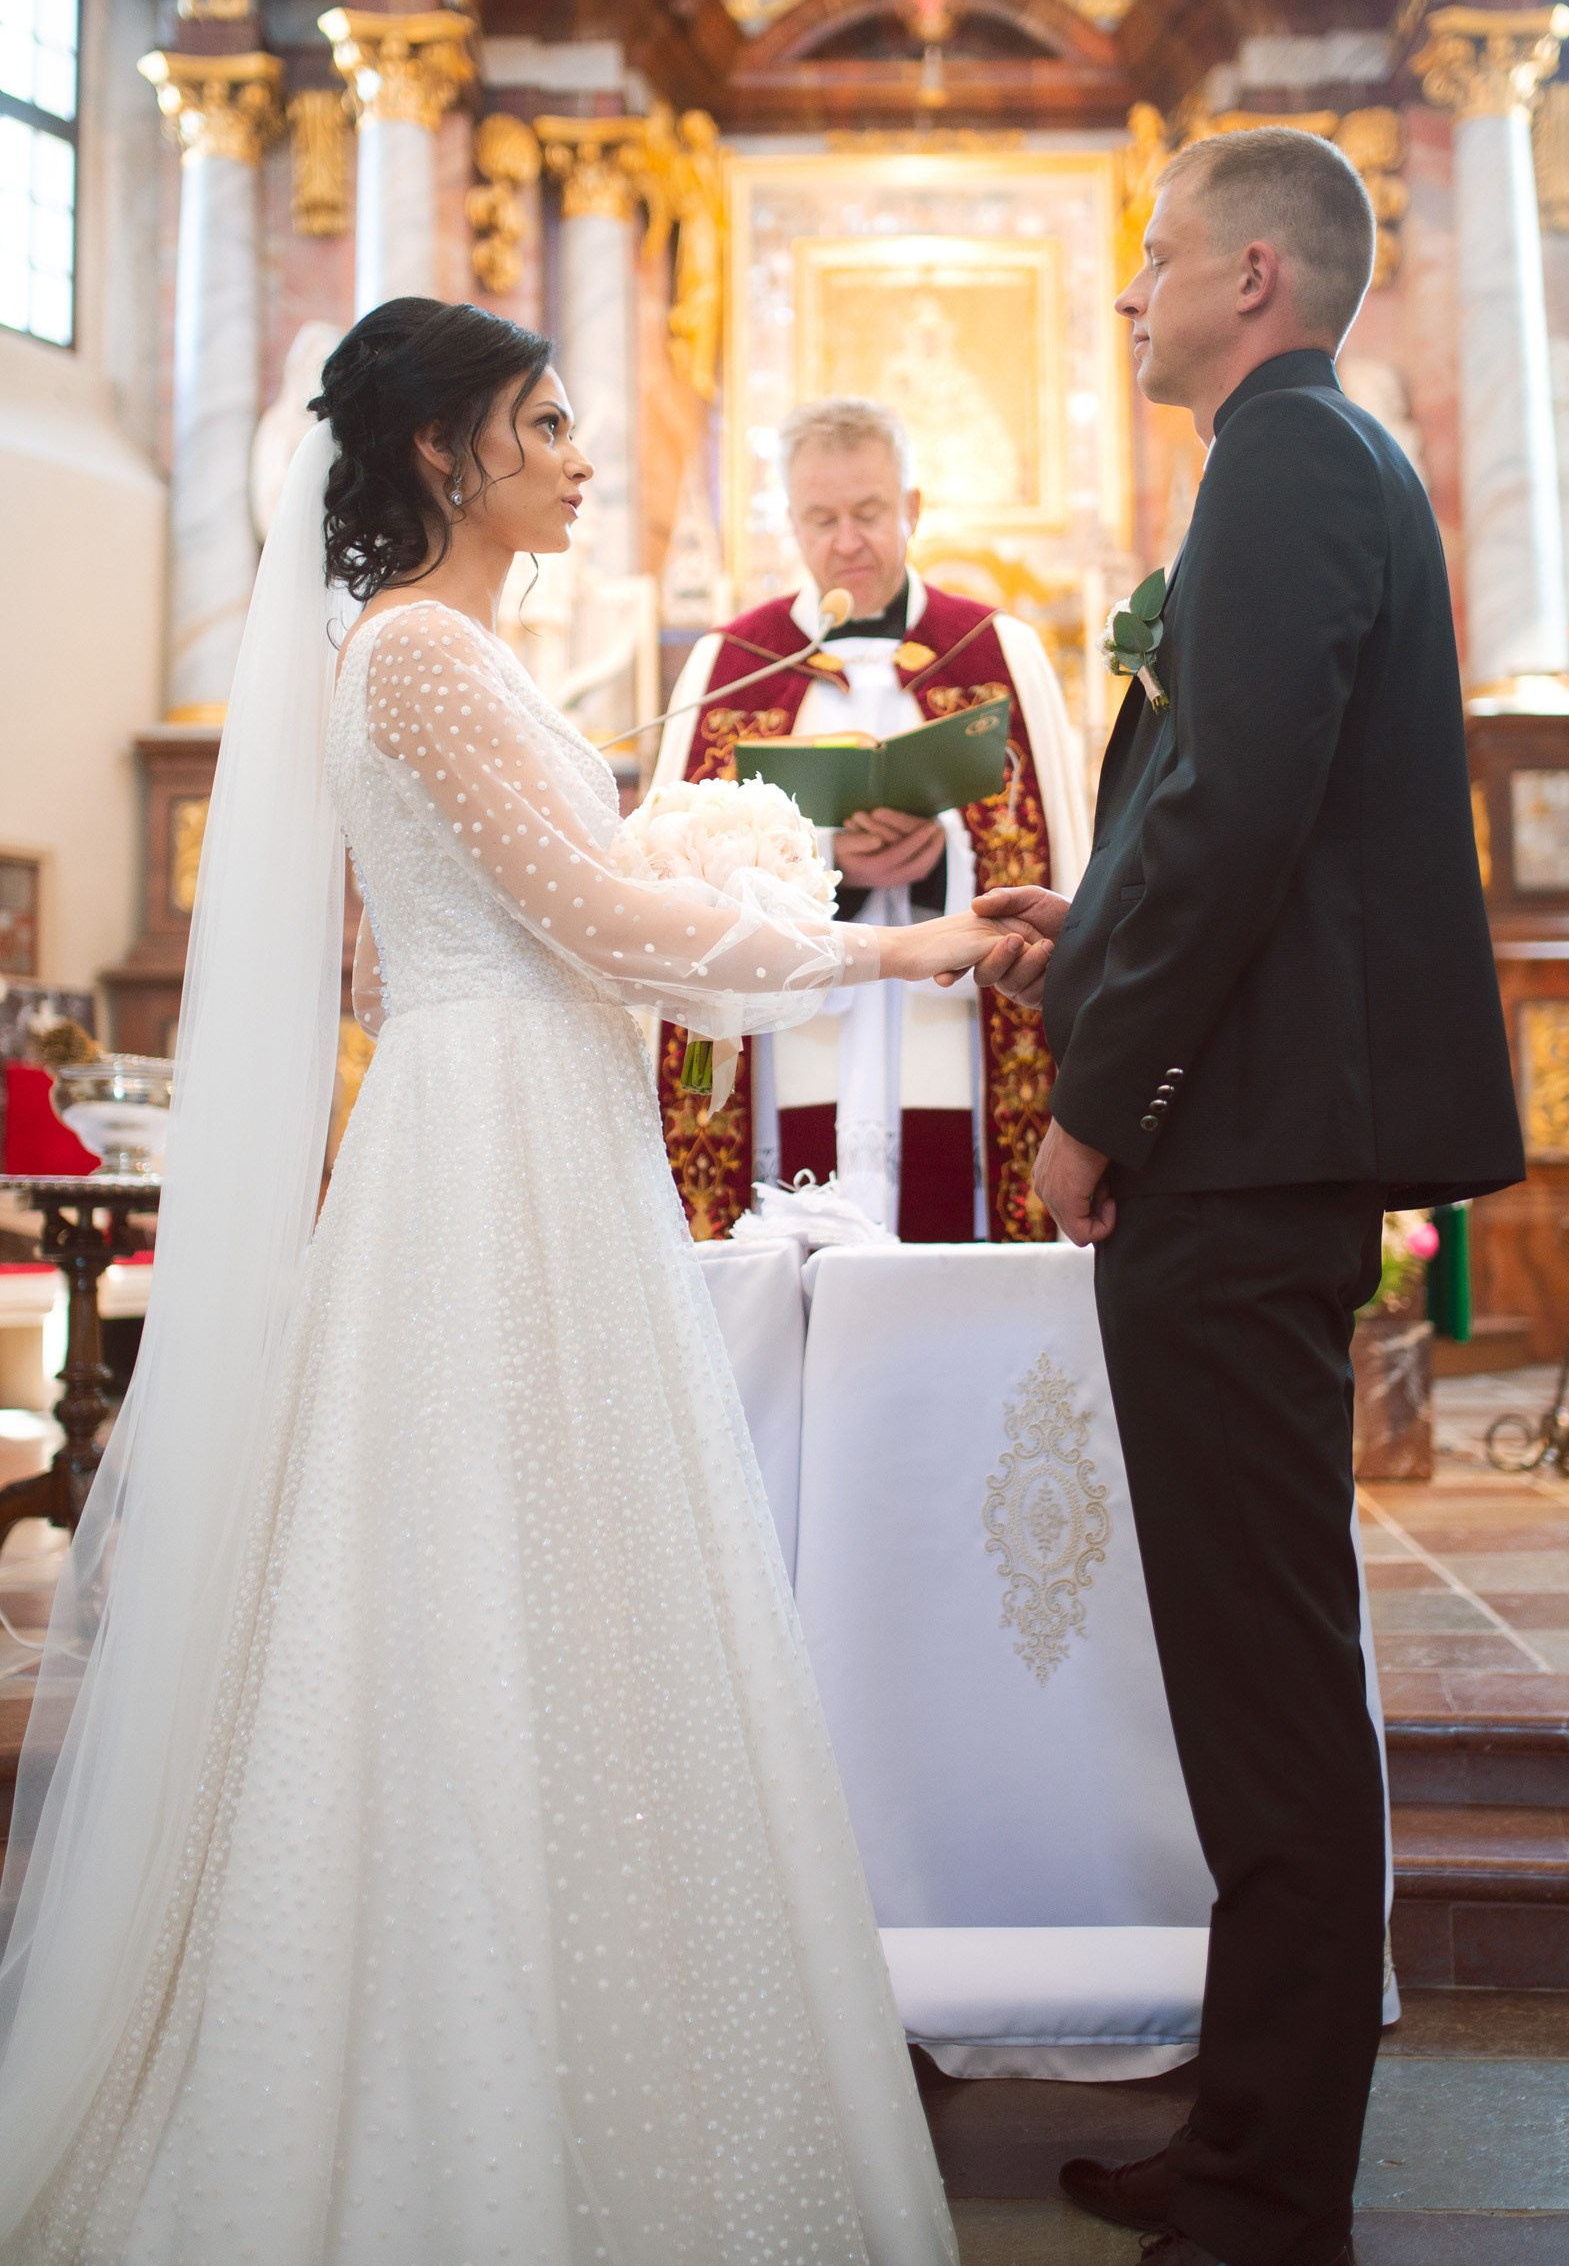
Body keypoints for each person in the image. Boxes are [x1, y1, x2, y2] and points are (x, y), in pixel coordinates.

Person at [0, 298, 1023, 2262]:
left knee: (574, 1589)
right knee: (466, 1589)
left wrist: (714, 882)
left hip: (536, 1133)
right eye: (544, 421)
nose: (578, 452)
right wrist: (874, 952)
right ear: (447, 458)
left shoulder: (445, 656)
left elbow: (504, 920)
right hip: (487, 1166)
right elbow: (591, 914)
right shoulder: (415, 655)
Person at [971, 129, 1525, 2266]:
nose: (1128, 291)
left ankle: (1270, 2190)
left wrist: (1097, 1095)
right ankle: (1249, 2144)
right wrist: (1085, 921)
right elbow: (1214, 819)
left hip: (1239, 1153)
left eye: (1154, 256)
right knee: (1251, 1667)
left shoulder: (1285, 467)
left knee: (1266, 1678)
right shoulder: (1314, 458)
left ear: (1259, 278)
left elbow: (1242, 821)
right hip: (1272, 1129)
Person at [653, 396, 1087, 1241]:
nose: (845, 541)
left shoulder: (997, 652)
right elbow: (680, 879)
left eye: (867, 513)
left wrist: (937, 859)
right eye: (821, 519)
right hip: (792, 1037)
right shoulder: (735, 666)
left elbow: (1054, 857)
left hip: (958, 1030)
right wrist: (831, 865)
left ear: (912, 510)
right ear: (790, 523)